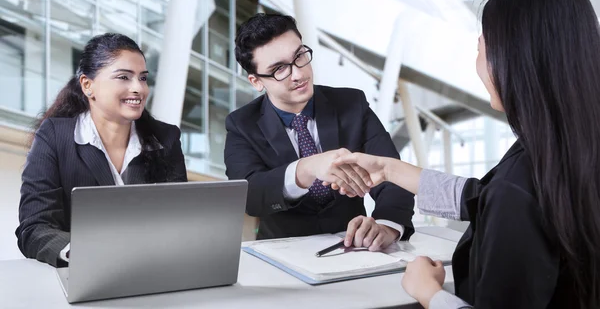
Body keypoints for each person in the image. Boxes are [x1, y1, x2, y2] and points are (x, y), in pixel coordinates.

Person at [335, 0, 599, 308]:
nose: (477, 63)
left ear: (512, 60)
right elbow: (483, 197)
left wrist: (428, 291)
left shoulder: (520, 185)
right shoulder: (570, 148)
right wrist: (388, 169)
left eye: (481, 48)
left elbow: (505, 200)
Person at [224, 14, 415, 250]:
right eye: (279, 69)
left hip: (356, 249)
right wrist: (308, 168)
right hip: (283, 255)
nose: (298, 74)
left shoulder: (352, 105)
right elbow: (250, 196)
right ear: (256, 81)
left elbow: (391, 172)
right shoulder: (242, 124)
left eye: (299, 57)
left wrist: (386, 225)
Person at [16, 33, 187, 267]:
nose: (139, 88)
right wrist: (84, 253)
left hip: (152, 269)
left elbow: (180, 220)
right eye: (124, 77)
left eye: (143, 78)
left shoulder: (165, 138)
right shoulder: (56, 136)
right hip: (81, 273)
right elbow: (34, 227)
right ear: (88, 85)